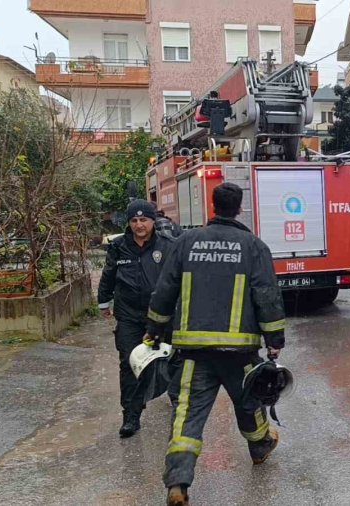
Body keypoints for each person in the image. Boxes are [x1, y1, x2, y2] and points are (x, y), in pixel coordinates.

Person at [145, 183, 286, 506]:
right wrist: (274, 341)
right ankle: (260, 447)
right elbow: (266, 296)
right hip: (240, 352)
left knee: (187, 415)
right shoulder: (253, 247)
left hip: (194, 352)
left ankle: (178, 482)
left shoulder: (185, 243)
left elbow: (164, 290)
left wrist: (154, 329)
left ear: (212, 205)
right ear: (239, 209)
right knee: (249, 402)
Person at [98, 199, 175, 438]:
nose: (139, 225)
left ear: (153, 220)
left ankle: (178, 405)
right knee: (129, 363)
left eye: (144, 220)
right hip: (129, 315)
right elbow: (108, 275)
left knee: (172, 359)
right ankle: (131, 415)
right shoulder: (118, 246)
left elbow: (178, 279)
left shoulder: (168, 245)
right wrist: (103, 302)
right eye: (134, 220)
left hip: (162, 316)